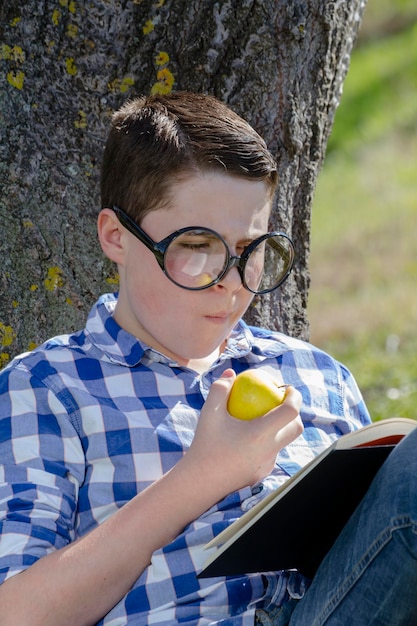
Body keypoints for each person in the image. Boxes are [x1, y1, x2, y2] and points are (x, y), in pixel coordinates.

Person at [0, 92, 415, 626]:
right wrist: (202, 479)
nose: (228, 285)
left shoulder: (318, 374)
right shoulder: (46, 388)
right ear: (116, 236)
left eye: (250, 251)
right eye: (196, 246)